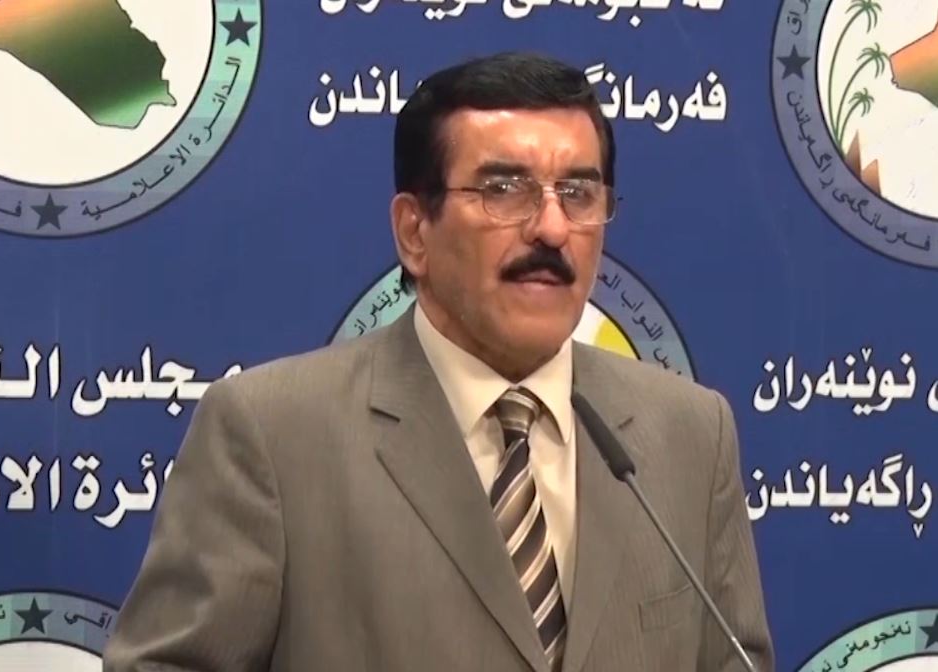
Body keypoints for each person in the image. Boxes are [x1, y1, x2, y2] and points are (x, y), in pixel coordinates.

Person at [103, 51, 775, 672]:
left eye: (578, 193)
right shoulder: (273, 435)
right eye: (504, 189)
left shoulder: (689, 434)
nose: (551, 228)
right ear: (414, 231)